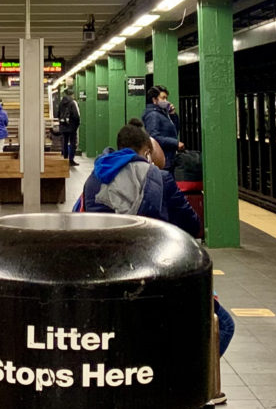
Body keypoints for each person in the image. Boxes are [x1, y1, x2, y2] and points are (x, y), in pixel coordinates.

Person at [79, 120, 235, 376]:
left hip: (103, 273)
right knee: (224, 325)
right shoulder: (159, 177)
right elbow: (192, 225)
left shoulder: (93, 178)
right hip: (153, 274)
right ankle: (185, 381)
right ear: (147, 151)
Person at [141, 85, 181, 165]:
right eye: (163, 98)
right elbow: (154, 137)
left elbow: (174, 132)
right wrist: (175, 143)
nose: (166, 101)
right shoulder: (153, 115)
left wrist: (173, 115)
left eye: (166, 98)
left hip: (168, 157)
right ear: (154, 100)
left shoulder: (163, 113)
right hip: (162, 158)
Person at [55, 89, 81, 165]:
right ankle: (71, 160)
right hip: (72, 126)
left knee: (65, 142)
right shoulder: (73, 103)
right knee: (73, 143)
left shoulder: (61, 103)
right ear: (72, 94)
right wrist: (77, 125)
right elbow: (76, 115)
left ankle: (65, 158)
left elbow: (58, 114)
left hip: (63, 126)